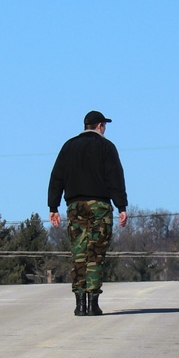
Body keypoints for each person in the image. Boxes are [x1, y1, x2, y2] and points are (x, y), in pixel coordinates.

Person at [48, 110, 128, 316]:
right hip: (99, 206)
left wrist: (53, 207)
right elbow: (115, 178)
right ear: (100, 126)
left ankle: (79, 304)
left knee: (79, 252)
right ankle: (92, 304)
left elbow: (57, 177)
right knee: (95, 253)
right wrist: (121, 207)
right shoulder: (106, 147)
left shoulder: (68, 146)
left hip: (75, 206)